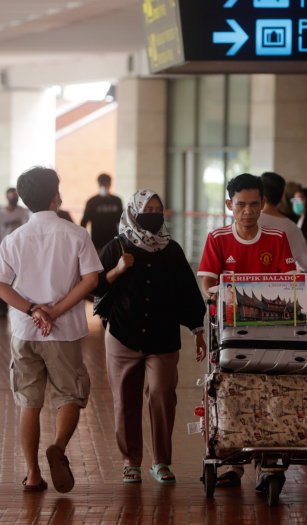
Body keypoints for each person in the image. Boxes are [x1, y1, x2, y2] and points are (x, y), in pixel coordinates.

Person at [0, 167, 103, 493]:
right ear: (56, 195)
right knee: (69, 394)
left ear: (24, 200)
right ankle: (59, 447)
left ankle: (32, 475)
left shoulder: (14, 239)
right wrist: (54, 310)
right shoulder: (76, 234)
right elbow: (91, 280)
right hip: (63, 331)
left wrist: (32, 309)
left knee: (29, 401)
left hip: (24, 332)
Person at [93, 189, 206, 485]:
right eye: (148, 209)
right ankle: (131, 461)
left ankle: (161, 462)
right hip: (122, 334)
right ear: (133, 211)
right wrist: (118, 270)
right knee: (125, 401)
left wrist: (197, 329)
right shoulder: (115, 247)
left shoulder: (172, 250)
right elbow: (94, 285)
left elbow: (187, 291)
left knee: (161, 395)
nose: (154, 214)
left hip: (163, 336)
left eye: (158, 209)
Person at [197, 173, 296, 489]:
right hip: (230, 335)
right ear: (230, 205)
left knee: (273, 395)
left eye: (255, 204)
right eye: (241, 204)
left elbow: (292, 284)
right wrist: (223, 294)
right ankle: (234, 465)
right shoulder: (218, 239)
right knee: (233, 394)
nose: (248, 211)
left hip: (273, 336)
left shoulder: (277, 239)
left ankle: (271, 468)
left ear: (263, 203)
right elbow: (208, 284)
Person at [0, 188, 30, 319]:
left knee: (21, 280)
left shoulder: (22, 212)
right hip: (4, 251)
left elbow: (28, 229)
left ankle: (23, 306)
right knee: (5, 281)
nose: (14, 198)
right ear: (7, 197)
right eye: (11, 196)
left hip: (21, 250)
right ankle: (1, 306)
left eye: (16, 196)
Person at [258, 172, 307, 273]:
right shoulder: (293, 228)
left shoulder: (248, 224)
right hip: (283, 286)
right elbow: (306, 264)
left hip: (250, 286)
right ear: (282, 195)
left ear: (259, 193)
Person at [81, 174, 123, 253]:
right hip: (97, 243)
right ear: (99, 184)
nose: (104, 186)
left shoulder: (117, 201)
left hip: (113, 241)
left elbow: (122, 221)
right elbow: (84, 221)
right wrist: (84, 240)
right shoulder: (92, 202)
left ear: (110, 184)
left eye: (106, 183)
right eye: (102, 184)